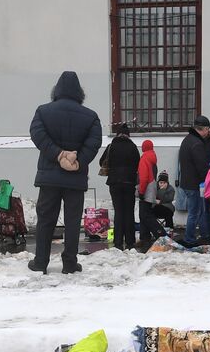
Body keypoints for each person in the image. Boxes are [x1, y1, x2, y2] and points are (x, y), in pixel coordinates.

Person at [28, 70, 102, 274]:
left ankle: (41, 262)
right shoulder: (91, 116)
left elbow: (37, 134)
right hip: (75, 179)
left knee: (45, 219)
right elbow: (94, 143)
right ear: (80, 93)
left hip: (49, 177)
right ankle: (69, 263)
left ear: (56, 90)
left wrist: (58, 154)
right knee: (72, 221)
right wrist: (77, 160)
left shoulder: (43, 111)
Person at [178, 115, 210, 247]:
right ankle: (191, 238)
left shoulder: (187, 140)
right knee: (196, 212)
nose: (208, 132)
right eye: (207, 129)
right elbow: (201, 166)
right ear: (204, 129)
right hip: (195, 184)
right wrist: (208, 180)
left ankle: (200, 236)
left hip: (187, 183)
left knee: (195, 212)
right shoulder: (197, 143)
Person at [100, 123, 139, 251]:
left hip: (114, 182)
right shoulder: (132, 147)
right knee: (129, 211)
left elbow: (102, 161)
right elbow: (137, 163)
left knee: (118, 211)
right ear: (128, 134)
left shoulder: (111, 146)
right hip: (129, 182)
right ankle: (130, 241)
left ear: (117, 134)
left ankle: (117, 242)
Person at [136, 138, 159, 246]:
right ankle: (144, 237)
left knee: (145, 215)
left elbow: (144, 177)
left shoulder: (144, 159)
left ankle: (161, 235)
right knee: (144, 214)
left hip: (146, 188)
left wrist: (141, 191)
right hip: (152, 187)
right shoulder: (152, 157)